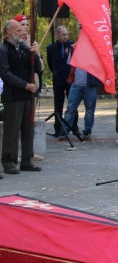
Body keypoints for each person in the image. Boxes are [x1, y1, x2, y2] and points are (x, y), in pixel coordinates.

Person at [0, 20, 42, 175]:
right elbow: (5, 74)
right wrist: (24, 84)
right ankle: (9, 162)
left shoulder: (24, 48)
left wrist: (35, 54)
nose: (22, 33)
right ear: (9, 32)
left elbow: (36, 68)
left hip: (28, 95)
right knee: (12, 130)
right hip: (14, 95)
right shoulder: (3, 50)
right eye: (18, 31)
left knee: (28, 128)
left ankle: (27, 160)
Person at [13, 14, 44, 161]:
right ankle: (16, 152)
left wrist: (36, 53)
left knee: (29, 121)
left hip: (33, 85)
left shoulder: (33, 42)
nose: (25, 27)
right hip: (18, 87)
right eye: (22, 24)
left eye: (27, 24)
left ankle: (29, 151)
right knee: (17, 122)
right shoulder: (13, 43)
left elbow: (41, 67)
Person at [61, 44, 100, 141]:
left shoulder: (95, 47)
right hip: (76, 84)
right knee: (70, 108)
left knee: (90, 110)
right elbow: (69, 65)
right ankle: (65, 130)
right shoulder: (73, 47)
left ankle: (87, 131)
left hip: (90, 84)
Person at [47, 26, 78, 137]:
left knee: (73, 103)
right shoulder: (51, 47)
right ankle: (58, 128)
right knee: (58, 104)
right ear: (57, 34)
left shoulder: (72, 45)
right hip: (58, 79)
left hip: (70, 79)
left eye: (67, 34)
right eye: (63, 35)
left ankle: (74, 127)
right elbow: (50, 64)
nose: (66, 37)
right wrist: (56, 72)